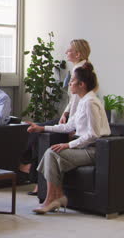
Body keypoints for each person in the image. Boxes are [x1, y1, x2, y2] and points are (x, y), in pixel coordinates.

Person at [27, 63, 110, 214]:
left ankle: (53, 199)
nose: (70, 83)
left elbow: (94, 134)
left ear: (81, 84)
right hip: (83, 147)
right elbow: (68, 126)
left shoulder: (91, 102)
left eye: (72, 80)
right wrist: (42, 128)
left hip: (94, 150)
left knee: (52, 153)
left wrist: (69, 145)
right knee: (51, 152)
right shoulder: (83, 101)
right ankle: (57, 196)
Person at [22, 39, 93, 196]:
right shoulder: (78, 68)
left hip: (75, 122)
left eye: (69, 50)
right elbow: (72, 100)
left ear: (78, 53)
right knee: (37, 130)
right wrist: (64, 114)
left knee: (35, 132)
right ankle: (35, 178)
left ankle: (29, 170)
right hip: (71, 118)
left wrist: (72, 125)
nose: (66, 52)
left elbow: (78, 101)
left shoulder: (81, 71)